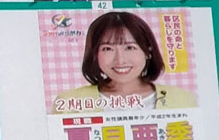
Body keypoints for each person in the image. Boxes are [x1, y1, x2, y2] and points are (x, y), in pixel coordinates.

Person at [52, 10, 197, 111]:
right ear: (95, 54)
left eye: (129, 47)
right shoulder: (68, 102)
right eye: (107, 49)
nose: (120, 60)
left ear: (148, 52)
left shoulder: (182, 99)